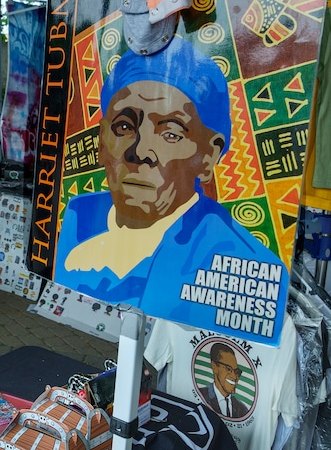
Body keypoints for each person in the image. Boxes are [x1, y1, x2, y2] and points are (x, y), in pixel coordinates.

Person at [54, 37, 288, 337]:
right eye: (124, 127)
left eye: (171, 134)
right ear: (101, 140)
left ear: (207, 157)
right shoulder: (74, 218)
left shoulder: (245, 267)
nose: (139, 152)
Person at [198, 342, 249, 419]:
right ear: (214, 367)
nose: (234, 377)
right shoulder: (201, 395)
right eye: (228, 369)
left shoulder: (242, 409)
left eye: (237, 372)